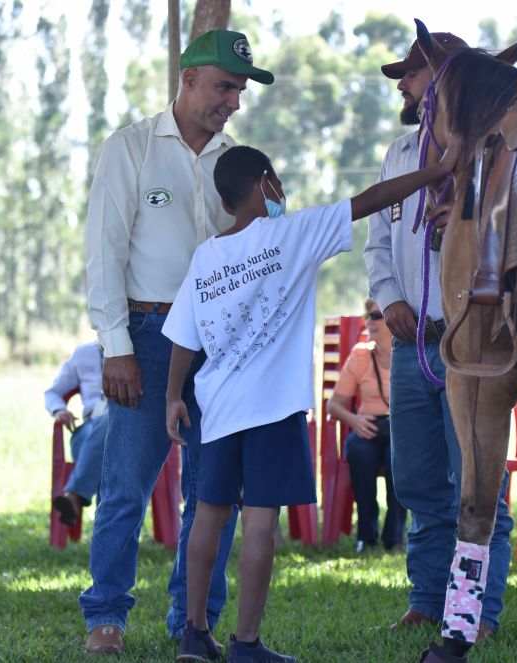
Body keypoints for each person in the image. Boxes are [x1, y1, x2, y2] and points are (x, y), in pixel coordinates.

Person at [164, 144, 454, 662]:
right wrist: (437, 171)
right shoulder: (291, 233)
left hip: (218, 406)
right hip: (272, 409)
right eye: (275, 182)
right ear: (265, 184)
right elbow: (371, 199)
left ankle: (194, 634)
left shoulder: (206, 256)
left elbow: (184, 336)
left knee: (207, 514)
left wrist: (171, 397)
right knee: (258, 520)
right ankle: (246, 644)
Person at [80, 29, 273, 656]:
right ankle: (106, 616)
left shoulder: (237, 160)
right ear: (187, 79)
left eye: (240, 90)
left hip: (220, 345)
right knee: (125, 488)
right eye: (225, 86)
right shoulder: (129, 149)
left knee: (211, 491)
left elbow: (267, 242)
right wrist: (115, 347)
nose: (233, 102)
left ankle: (193, 620)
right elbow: (103, 253)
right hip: (147, 334)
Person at [364, 34, 515, 643]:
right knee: (418, 482)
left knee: (478, 485)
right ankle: (428, 600)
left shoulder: (496, 151)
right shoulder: (399, 154)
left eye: (413, 72)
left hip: (472, 341)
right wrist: (391, 298)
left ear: (448, 78)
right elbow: (377, 241)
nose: (402, 83)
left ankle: (478, 610)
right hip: (411, 340)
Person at [326, 298, 407, 553]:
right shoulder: (360, 355)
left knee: (399, 457)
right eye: (368, 316)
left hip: (401, 429)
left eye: (376, 316)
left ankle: (394, 537)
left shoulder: (409, 354)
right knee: (358, 452)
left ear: (392, 320)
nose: (369, 322)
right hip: (368, 426)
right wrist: (355, 421)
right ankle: (366, 535)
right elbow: (333, 406)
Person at [45, 340, 108, 526]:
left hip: (125, 428)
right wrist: (59, 410)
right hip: (88, 429)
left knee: (111, 422)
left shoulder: (137, 349)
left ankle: (74, 496)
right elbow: (53, 393)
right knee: (100, 439)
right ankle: (81, 500)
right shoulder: (83, 353)